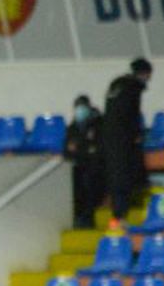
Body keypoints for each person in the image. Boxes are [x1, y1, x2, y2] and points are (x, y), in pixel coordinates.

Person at [102, 57, 152, 230]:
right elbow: (131, 114)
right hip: (123, 141)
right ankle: (120, 216)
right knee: (124, 177)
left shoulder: (117, 85)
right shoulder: (132, 88)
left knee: (116, 176)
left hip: (110, 138)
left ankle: (118, 214)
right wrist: (136, 134)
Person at [64, 95, 106, 229]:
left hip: (95, 167)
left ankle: (89, 218)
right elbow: (67, 150)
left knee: (90, 184)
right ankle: (79, 218)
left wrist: (81, 148)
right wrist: (84, 148)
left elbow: (97, 148)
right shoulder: (72, 128)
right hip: (77, 166)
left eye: (82, 107)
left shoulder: (99, 124)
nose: (80, 111)